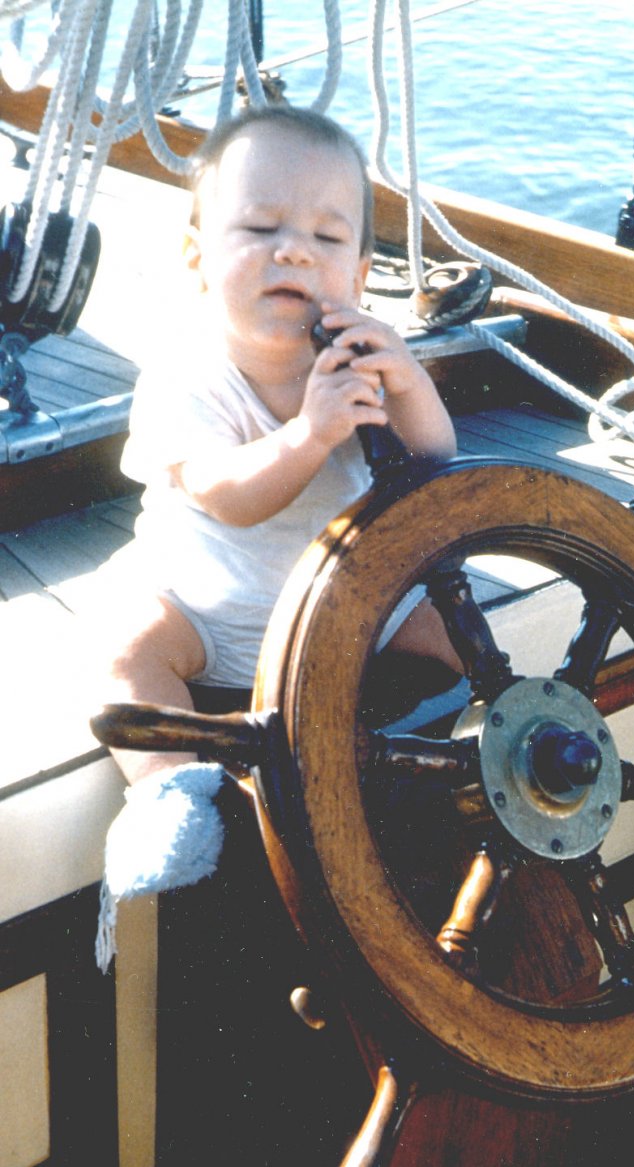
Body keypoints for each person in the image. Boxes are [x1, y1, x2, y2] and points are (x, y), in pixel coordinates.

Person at [95, 104, 460, 786]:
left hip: (349, 609)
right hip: (206, 613)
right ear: (197, 257)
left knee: (450, 631)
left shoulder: (361, 361)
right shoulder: (184, 373)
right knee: (127, 654)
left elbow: (437, 461)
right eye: (261, 227)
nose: (293, 249)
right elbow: (227, 497)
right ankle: (174, 795)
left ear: (357, 276)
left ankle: (446, 759)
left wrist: (409, 384)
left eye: (327, 236)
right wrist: (310, 435)